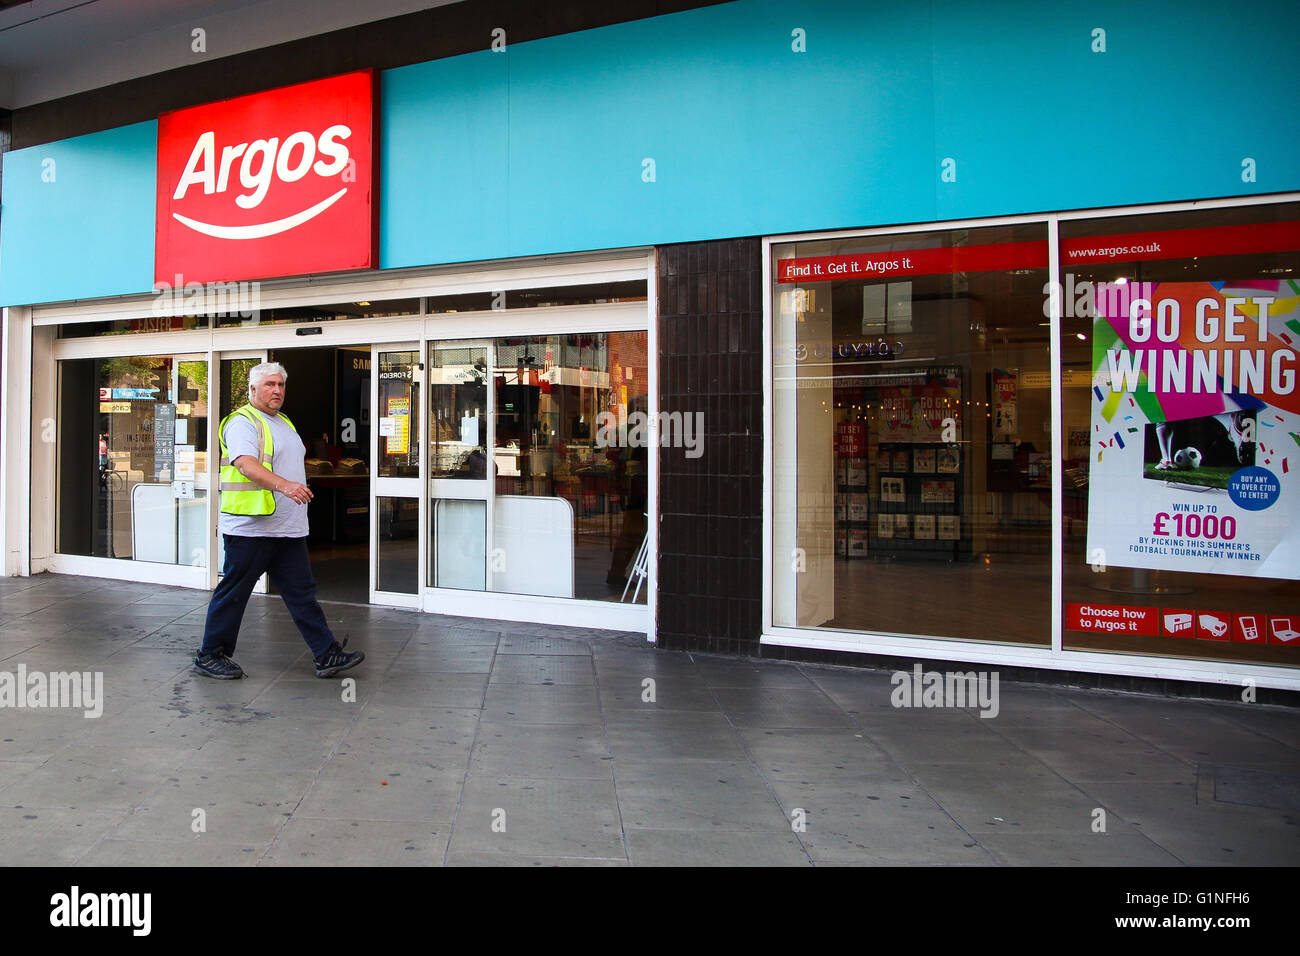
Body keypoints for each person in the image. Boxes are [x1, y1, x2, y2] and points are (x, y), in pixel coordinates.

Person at [193, 361, 364, 679]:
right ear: (253, 389)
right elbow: (244, 464)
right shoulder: (243, 422)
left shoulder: (283, 422)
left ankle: (326, 654)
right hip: (252, 527)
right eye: (270, 384)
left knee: (302, 593)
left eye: (281, 385)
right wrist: (285, 486)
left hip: (286, 528)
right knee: (235, 592)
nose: (276, 390)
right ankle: (210, 654)